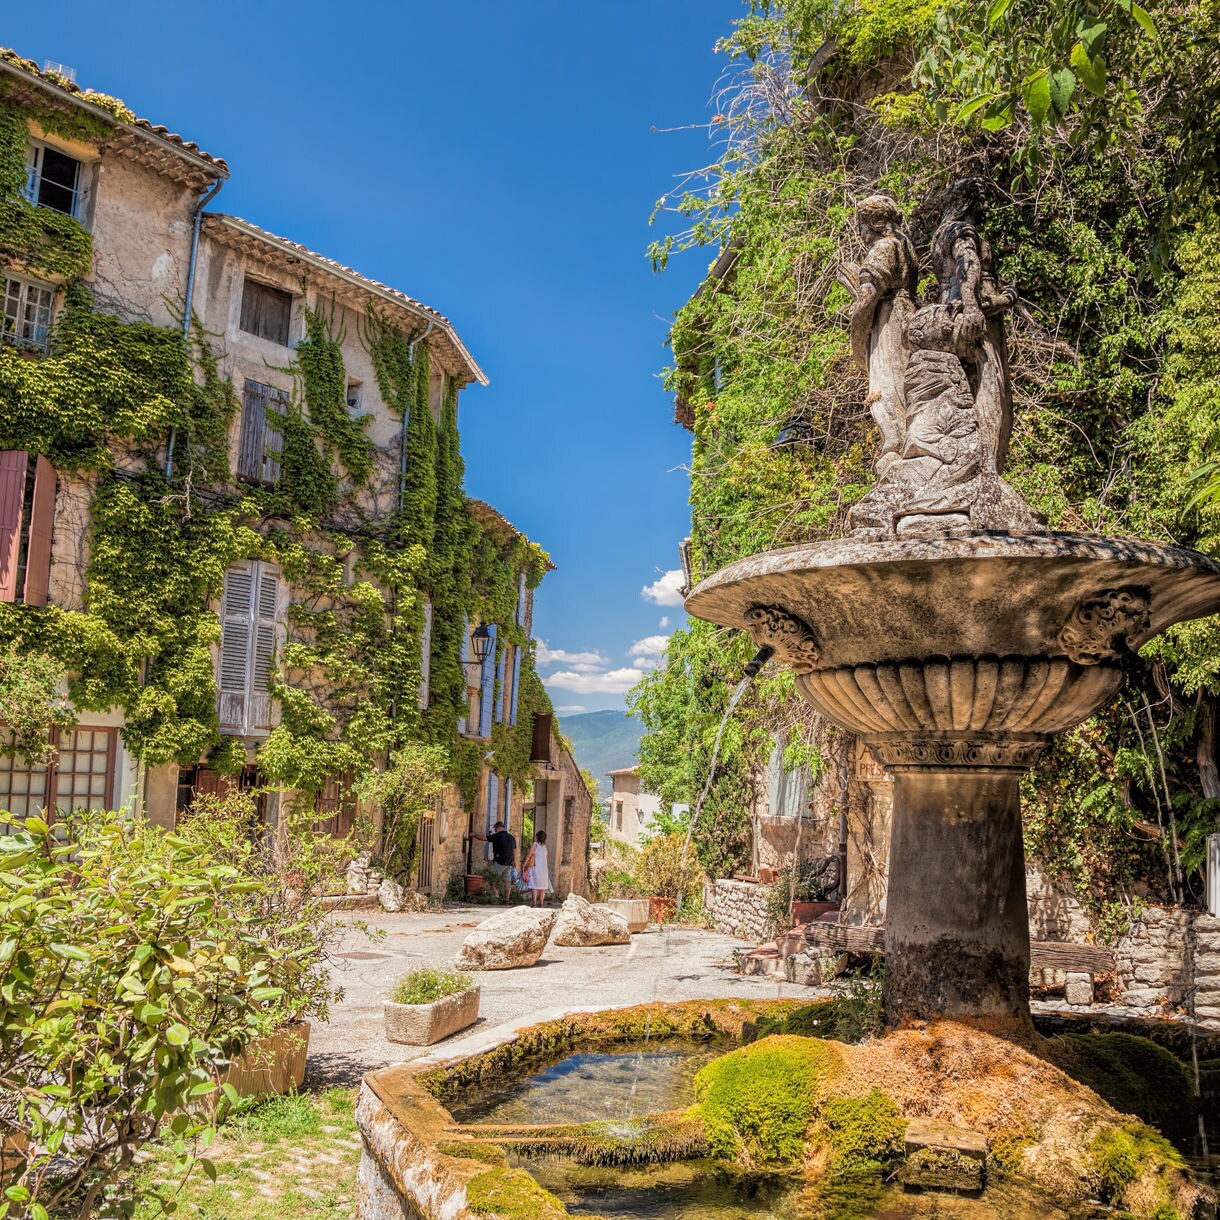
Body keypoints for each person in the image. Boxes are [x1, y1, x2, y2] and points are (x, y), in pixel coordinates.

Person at [471, 820, 515, 903]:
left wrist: (473, 835)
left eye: (495, 828)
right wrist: (514, 862)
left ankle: (496, 896)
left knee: (490, 877)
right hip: (509, 862)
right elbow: (514, 850)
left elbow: (485, 838)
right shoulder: (511, 837)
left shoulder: (498, 836)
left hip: (500, 862)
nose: (494, 830)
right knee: (507, 882)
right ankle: (506, 900)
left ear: (498, 828)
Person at [522, 831, 549, 908]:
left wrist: (524, 865)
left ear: (537, 837)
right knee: (542, 887)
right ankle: (541, 904)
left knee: (534, 886)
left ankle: (534, 903)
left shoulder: (535, 844)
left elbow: (529, 856)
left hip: (535, 867)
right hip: (544, 869)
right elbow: (546, 858)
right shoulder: (545, 847)